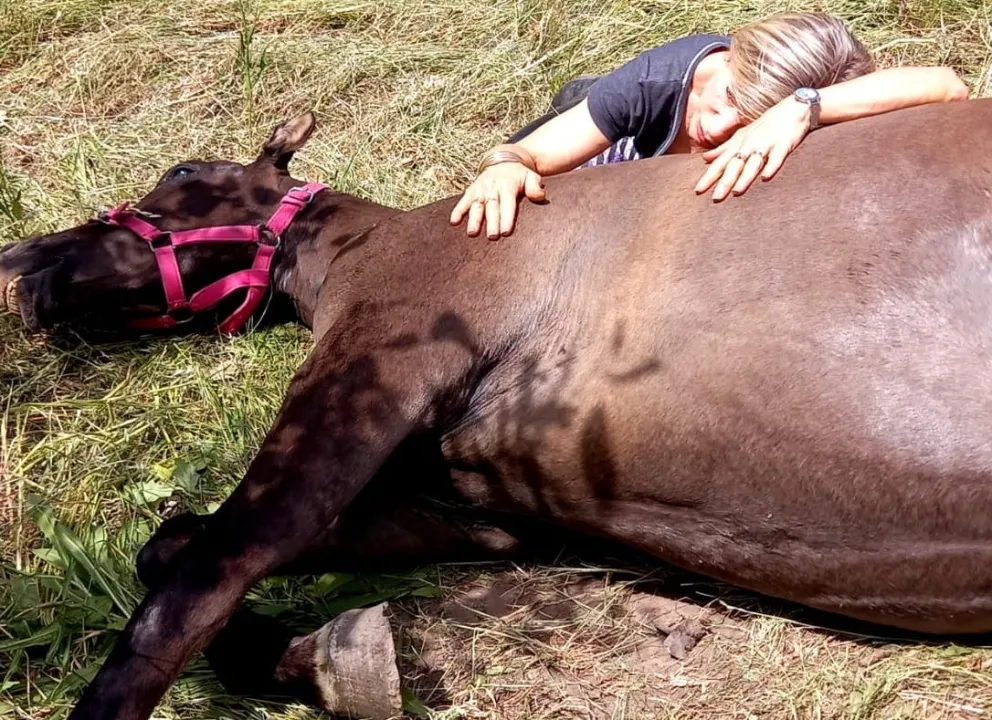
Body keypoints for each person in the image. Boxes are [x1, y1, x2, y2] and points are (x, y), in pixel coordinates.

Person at [450, 11, 969, 240]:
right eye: (728, 98)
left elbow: (948, 86)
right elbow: (526, 156)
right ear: (728, 60)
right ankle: (580, 93)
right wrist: (502, 163)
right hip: (624, 144)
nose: (720, 128)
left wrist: (805, 108)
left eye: (748, 122)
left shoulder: (802, 111)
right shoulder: (657, 82)